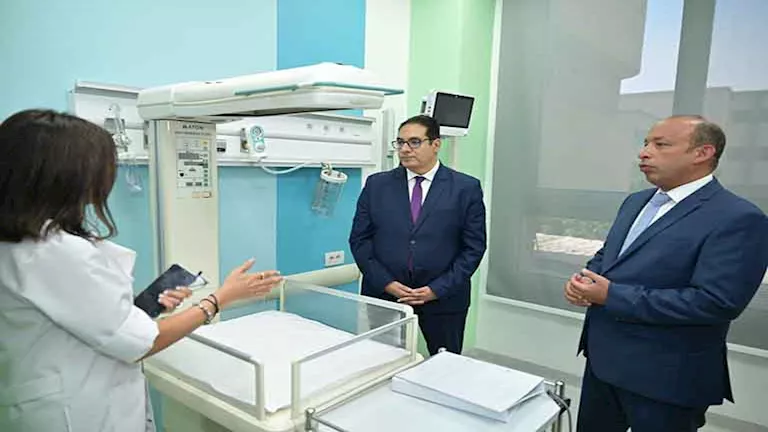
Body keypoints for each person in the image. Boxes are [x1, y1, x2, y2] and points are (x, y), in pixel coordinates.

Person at [0, 109, 283, 432]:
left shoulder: (20, 241)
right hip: (76, 412)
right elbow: (142, 344)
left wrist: (145, 307)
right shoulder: (55, 253)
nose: (105, 178)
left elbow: (85, 317)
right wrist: (220, 299)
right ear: (64, 176)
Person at [564, 115, 768, 432]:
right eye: (646, 143)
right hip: (603, 363)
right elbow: (610, 256)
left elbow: (716, 302)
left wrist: (611, 296)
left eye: (661, 145)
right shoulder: (636, 202)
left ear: (702, 153)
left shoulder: (738, 218)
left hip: (667, 378)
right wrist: (585, 281)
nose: (644, 152)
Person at [349, 114, 487, 355]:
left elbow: (473, 248)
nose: (405, 149)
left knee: (445, 365)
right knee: (384, 361)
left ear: (436, 144)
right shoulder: (377, 185)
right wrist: (387, 283)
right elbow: (360, 240)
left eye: (414, 142)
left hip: (443, 298)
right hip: (386, 295)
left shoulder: (465, 188)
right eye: (400, 142)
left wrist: (436, 289)